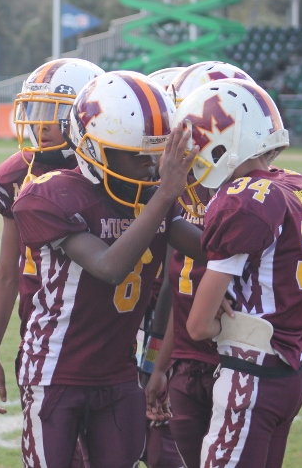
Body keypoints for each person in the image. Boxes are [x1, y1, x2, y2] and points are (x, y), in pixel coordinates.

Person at [11, 71, 205, 468]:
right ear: (93, 149)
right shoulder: (49, 194)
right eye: (137, 156)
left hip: (118, 372)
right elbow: (109, 267)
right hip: (55, 370)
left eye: (155, 155)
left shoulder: (150, 198)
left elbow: (210, 250)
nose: (151, 168)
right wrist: (165, 196)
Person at [175, 78, 302, 468]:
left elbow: (198, 326)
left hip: (251, 372)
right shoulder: (299, 187)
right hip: (291, 370)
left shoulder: (240, 199)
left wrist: (223, 321)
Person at [144, 62, 254, 468]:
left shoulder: (248, 198)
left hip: (235, 356)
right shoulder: (187, 188)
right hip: (186, 354)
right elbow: (177, 285)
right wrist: (159, 363)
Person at [0, 57, 104, 416]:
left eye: (55, 112)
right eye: (37, 110)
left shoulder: (111, 175)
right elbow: (8, 272)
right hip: (41, 342)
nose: (41, 123)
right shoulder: (18, 175)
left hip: (108, 340)